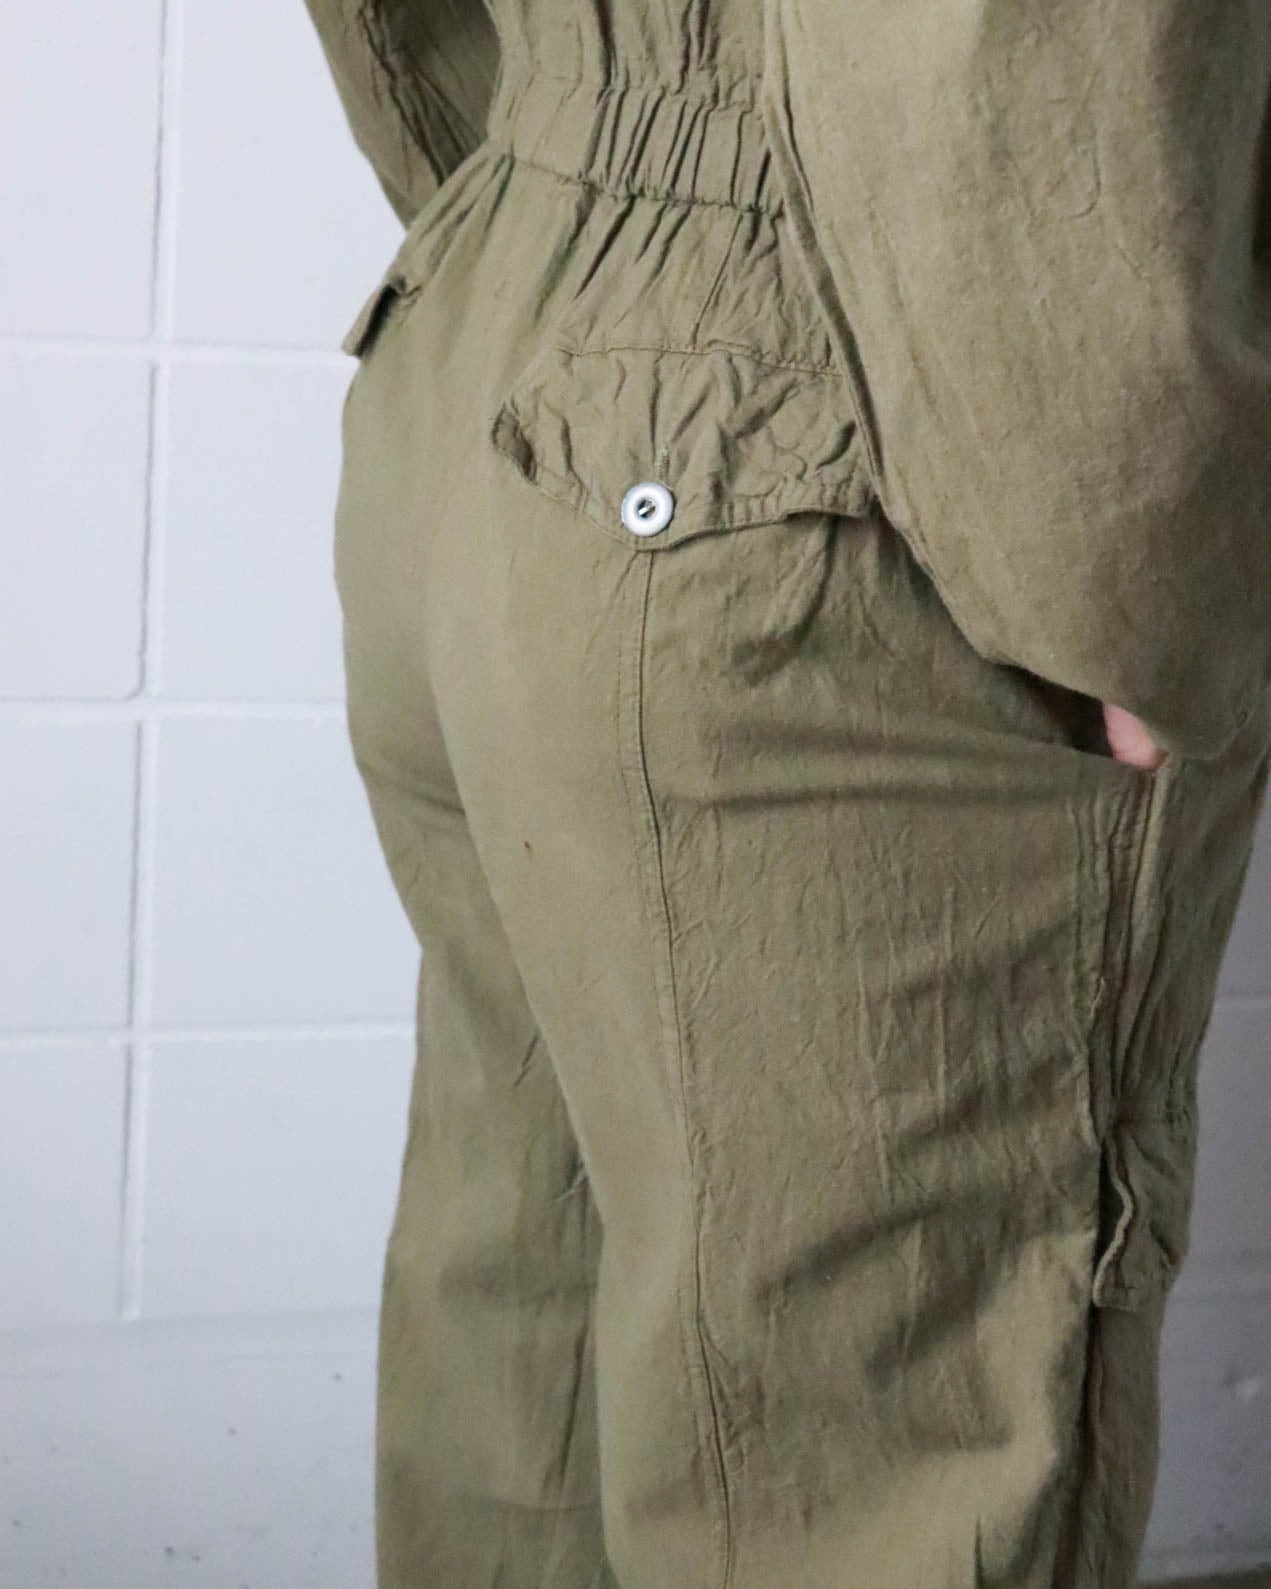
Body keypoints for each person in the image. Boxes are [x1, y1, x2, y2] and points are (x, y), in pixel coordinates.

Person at [300, 3, 1271, 1584]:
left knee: (533, 1317)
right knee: (871, 1468)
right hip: (836, 442)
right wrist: (1129, 576)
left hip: (508, 331)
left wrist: (563, 208)